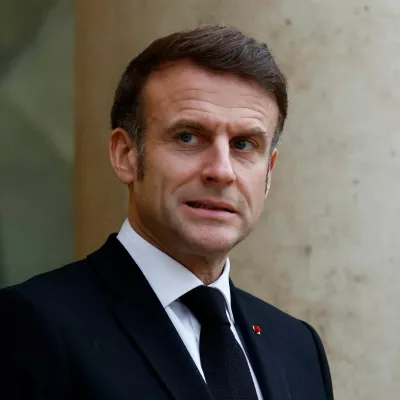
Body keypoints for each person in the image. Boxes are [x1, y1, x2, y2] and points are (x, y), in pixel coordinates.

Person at [0, 25, 334, 400]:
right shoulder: (33, 323)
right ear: (126, 155)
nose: (221, 171)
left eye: (244, 144)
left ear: (269, 172)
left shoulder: (298, 346)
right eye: (188, 137)